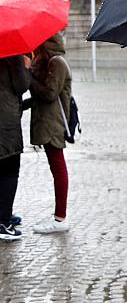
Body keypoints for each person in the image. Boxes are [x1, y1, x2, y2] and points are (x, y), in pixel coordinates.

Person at [29, 33, 74, 234]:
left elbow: (49, 93)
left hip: (54, 125)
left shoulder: (57, 63)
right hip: (47, 123)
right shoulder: (48, 63)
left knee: (58, 168)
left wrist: (29, 74)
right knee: (56, 167)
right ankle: (59, 216)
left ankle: (60, 218)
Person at [0, 54, 31, 241]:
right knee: (9, 173)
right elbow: (21, 85)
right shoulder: (12, 53)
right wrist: (26, 67)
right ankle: (3, 222)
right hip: (5, 123)